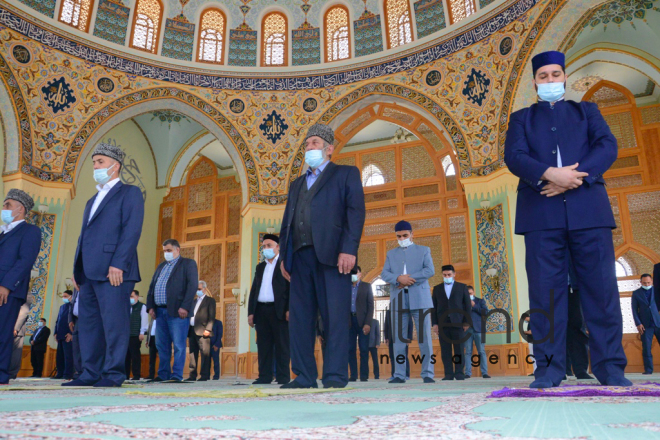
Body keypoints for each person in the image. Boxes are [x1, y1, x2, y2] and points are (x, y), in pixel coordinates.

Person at [504, 51, 630, 388]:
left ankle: (610, 368)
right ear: (534, 82)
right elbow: (514, 156)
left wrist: (575, 179)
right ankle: (548, 370)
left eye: (555, 74)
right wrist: (549, 174)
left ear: (564, 77)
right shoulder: (521, 118)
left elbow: (607, 146)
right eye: (543, 76)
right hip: (541, 213)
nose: (549, 81)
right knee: (546, 295)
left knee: (601, 291)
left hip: (588, 209)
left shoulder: (586, 110)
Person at [279, 123, 365, 389]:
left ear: (329, 149)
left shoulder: (345, 174)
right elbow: (288, 222)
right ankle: (304, 376)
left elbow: (355, 212)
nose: (309, 148)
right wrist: (284, 256)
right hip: (300, 258)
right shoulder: (296, 184)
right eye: (306, 144)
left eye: (314, 143)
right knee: (300, 321)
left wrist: (349, 249)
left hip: (333, 257)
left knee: (335, 318)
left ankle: (335, 376)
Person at [66, 143, 144, 388]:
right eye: (94, 162)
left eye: (100, 162)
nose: (95, 167)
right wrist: (77, 268)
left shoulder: (129, 192)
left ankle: (113, 373)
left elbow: (132, 230)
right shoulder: (92, 200)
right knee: (89, 325)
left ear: (115, 165)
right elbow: (84, 236)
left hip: (114, 271)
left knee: (114, 324)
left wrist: (118, 263)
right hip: (88, 272)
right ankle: (90, 372)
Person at [382, 221, 435, 384]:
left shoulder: (424, 250)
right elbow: (385, 274)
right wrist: (398, 278)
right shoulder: (391, 254)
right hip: (398, 299)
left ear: (412, 234)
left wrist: (409, 279)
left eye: (405, 235)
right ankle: (399, 374)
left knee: (424, 337)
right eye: (399, 236)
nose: (402, 238)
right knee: (398, 339)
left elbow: (429, 270)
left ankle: (427, 373)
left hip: (420, 298)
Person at [0, 189, 42, 385]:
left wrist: (6, 286)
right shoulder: (3, 231)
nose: (4, 208)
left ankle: (1, 373)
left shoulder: (30, 231)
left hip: (7, 291)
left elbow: (25, 261)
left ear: (20, 209)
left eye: (7, 205)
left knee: (2, 331)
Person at [146, 239, 198, 383]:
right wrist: (151, 307)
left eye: (169, 250)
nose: (166, 253)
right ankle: (163, 374)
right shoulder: (161, 266)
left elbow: (192, 286)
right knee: (161, 345)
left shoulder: (188, 264)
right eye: (164, 251)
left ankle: (176, 375)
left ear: (177, 250)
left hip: (178, 312)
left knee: (179, 345)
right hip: (160, 312)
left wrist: (185, 307)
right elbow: (152, 287)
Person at [247, 234, 290, 385]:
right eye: (264, 246)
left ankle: (283, 377)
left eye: (269, 245)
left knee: (282, 346)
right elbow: (254, 291)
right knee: (264, 346)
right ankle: (265, 376)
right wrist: (251, 313)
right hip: (261, 311)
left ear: (278, 247)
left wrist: (289, 309)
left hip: (279, 311)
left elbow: (291, 288)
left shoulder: (285, 265)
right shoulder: (260, 267)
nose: (266, 249)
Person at [432, 264, 471, 381]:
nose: (447, 276)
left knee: (459, 349)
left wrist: (466, 322)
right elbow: (433, 308)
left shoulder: (462, 287)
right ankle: (448, 374)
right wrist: (434, 323)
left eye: (449, 274)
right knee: (445, 350)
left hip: (458, 323)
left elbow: (467, 306)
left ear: (454, 274)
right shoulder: (437, 288)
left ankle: (459, 373)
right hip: (443, 324)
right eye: (444, 275)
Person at [565, 258, 593, 380]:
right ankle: (558, 370)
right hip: (552, 289)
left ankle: (581, 370)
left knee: (578, 327)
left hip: (574, 287)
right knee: (554, 330)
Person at [186, 281, 216, 382]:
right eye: (196, 289)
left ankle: (204, 375)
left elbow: (212, 316)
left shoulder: (210, 301)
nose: (197, 291)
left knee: (205, 354)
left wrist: (208, 329)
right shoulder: (193, 301)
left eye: (199, 289)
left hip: (203, 331)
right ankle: (192, 375)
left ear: (204, 289)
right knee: (192, 354)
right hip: (192, 330)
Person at [348, 266, 373, 382]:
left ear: (360, 274)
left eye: (355, 273)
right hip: (349, 322)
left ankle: (364, 375)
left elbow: (370, 306)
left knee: (363, 349)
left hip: (363, 322)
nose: (353, 275)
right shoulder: (345, 287)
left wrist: (368, 323)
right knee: (350, 349)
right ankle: (353, 375)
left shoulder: (366, 287)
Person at [631, 274, 660, 375]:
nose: (646, 284)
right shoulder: (636, 293)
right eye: (644, 283)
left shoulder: (657, 291)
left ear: (652, 281)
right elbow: (634, 310)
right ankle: (648, 370)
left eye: (648, 282)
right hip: (645, 325)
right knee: (646, 348)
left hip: (658, 323)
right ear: (641, 282)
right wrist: (638, 323)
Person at [463, 286, 490, 379]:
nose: (469, 295)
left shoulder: (480, 301)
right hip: (467, 330)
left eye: (470, 293)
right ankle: (467, 373)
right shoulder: (463, 303)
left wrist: (474, 306)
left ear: (473, 292)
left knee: (481, 351)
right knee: (467, 352)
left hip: (479, 329)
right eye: (468, 294)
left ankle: (484, 373)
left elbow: (485, 312)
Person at [125, 290, 148, 381]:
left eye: (132, 296)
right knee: (126, 356)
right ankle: (125, 375)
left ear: (137, 297)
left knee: (135, 356)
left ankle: (136, 375)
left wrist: (142, 332)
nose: (130, 298)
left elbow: (144, 320)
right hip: (126, 335)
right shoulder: (126, 307)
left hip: (135, 335)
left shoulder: (142, 307)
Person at [9, 293, 33, 380]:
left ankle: (11, 374)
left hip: (16, 329)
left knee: (14, 353)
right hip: (5, 327)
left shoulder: (26, 294)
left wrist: (15, 327)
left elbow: (23, 312)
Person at [384, 308, 411, 380]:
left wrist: (409, 337)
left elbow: (410, 323)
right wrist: (386, 337)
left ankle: (406, 374)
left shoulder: (406, 310)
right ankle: (394, 375)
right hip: (391, 337)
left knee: (403, 356)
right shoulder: (389, 311)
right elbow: (386, 325)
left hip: (403, 336)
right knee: (392, 356)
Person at [53, 290, 74, 380]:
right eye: (63, 296)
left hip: (68, 335)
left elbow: (74, 321)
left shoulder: (74, 306)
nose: (63, 298)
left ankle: (68, 374)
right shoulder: (62, 307)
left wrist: (72, 333)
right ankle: (60, 373)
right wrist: (55, 333)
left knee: (68, 356)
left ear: (71, 296)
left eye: (65, 296)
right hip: (60, 335)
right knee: (60, 356)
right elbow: (58, 320)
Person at [68, 288, 81, 379]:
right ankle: (79, 372)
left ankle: (88, 372)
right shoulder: (77, 285)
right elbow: (73, 302)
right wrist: (70, 319)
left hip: (91, 318)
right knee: (76, 347)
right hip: (77, 319)